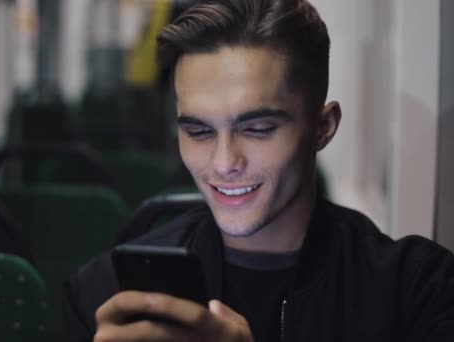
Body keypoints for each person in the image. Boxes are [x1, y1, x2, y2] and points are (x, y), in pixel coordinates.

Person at [62, 0, 454, 341]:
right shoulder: (105, 293)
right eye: (198, 131)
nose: (223, 163)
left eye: (258, 129)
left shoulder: (417, 291)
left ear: (323, 127)